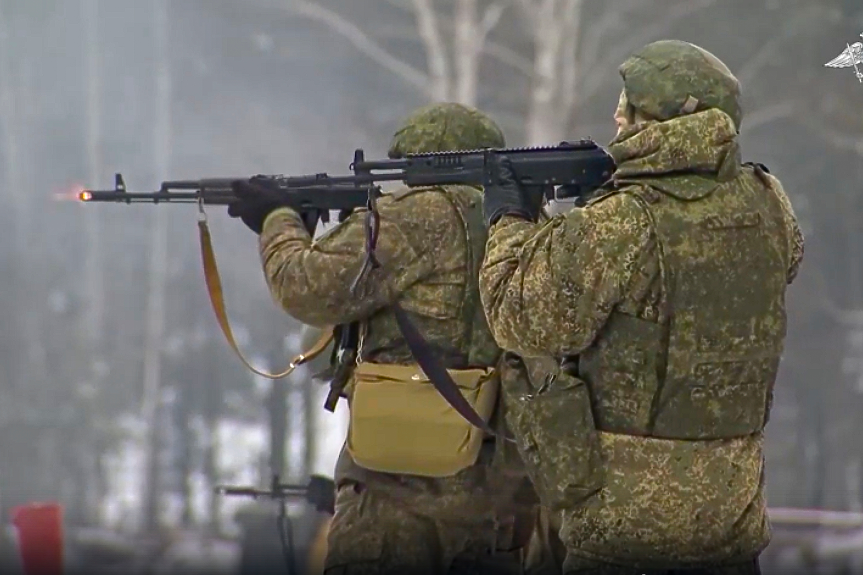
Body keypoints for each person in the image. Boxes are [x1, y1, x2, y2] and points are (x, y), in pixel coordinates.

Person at [478, 40, 804, 574]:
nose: (616, 114)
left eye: (628, 106)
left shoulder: (622, 221)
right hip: (731, 518)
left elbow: (520, 318)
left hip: (625, 532)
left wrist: (510, 221)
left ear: (662, 123)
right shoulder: (771, 203)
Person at [226, 102, 537, 575]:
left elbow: (305, 285)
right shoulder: (522, 223)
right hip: (497, 499)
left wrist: (278, 220)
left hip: (394, 495)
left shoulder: (411, 216)